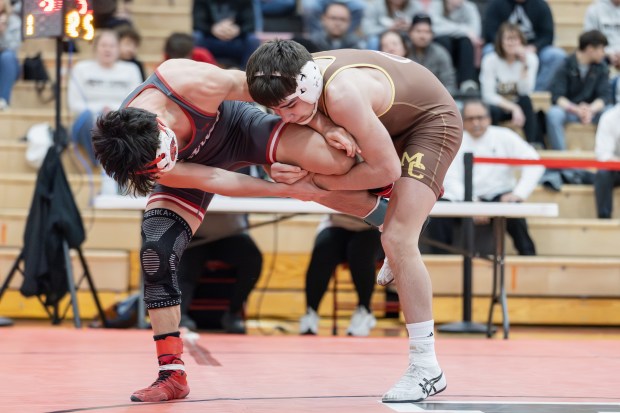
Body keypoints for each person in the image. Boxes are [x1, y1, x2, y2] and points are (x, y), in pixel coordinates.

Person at [91, 58, 389, 403]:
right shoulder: (138, 155)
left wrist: (321, 124)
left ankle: (384, 209)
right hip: (196, 168)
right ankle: (171, 373)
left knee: (336, 159)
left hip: (237, 127)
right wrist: (287, 190)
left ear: (158, 124)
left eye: (165, 153)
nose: (163, 163)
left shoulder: (187, 82)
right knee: (156, 252)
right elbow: (216, 179)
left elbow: (267, 91)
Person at [246, 40, 463, 402]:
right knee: (307, 187)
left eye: (289, 107)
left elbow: (387, 169)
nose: (285, 116)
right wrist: (310, 128)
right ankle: (393, 218)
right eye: (275, 110)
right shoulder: (286, 76)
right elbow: (280, 133)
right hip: (388, 122)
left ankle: (427, 367)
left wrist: (314, 182)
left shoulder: (343, 93)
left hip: (430, 123)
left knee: (396, 240)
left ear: (308, 86)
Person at [426, 99, 544, 255]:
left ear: (488, 118)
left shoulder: (505, 136)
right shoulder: (454, 140)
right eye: (470, 119)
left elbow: (534, 161)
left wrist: (518, 194)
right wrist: (474, 204)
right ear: (462, 120)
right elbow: (450, 180)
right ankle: (441, 259)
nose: (476, 122)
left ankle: (529, 259)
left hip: (498, 197)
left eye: (480, 118)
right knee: (439, 212)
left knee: (514, 211)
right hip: (462, 198)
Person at [300, 214, 383, 336]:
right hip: (337, 224)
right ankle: (311, 311)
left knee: (359, 250)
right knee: (323, 249)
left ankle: (364, 309)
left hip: (374, 229)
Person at [68, 30, 142, 166]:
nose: (107, 49)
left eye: (112, 46)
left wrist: (113, 111)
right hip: (90, 120)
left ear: (118, 49)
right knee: (89, 120)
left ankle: (113, 163)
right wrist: (101, 110)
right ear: (95, 48)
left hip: (119, 119)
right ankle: (102, 160)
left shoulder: (131, 70)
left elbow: (137, 103)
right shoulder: (81, 69)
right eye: (103, 45)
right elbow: (74, 104)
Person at [481, 0, 566, 91]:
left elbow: (548, 34)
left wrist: (535, 47)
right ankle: (495, 90)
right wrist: (507, 46)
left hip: (533, 48)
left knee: (557, 56)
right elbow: (490, 31)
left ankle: (537, 92)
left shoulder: (541, 5)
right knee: (488, 50)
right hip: (503, 46)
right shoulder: (496, 4)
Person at [546, 30, 610, 151]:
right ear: (590, 49)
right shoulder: (564, 64)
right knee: (554, 114)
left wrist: (590, 110)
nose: (604, 53)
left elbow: (604, 97)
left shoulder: (602, 67)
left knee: (610, 112)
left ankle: (604, 154)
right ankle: (562, 158)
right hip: (570, 111)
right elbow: (557, 96)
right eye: (601, 49)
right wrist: (577, 110)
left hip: (592, 112)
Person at [480, 23, 540, 145]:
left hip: (519, 105)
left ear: (521, 41)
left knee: (526, 101)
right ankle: (490, 145)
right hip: (498, 106)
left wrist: (524, 65)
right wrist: (513, 108)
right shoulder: (490, 60)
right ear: (500, 42)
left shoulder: (531, 59)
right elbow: (488, 95)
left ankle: (532, 144)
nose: (512, 43)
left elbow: (525, 91)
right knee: (492, 110)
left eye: (515, 39)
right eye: (508, 39)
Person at [192, 0, 260, 69]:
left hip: (237, 40)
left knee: (252, 40)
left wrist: (237, 30)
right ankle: (199, 71)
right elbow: (197, 24)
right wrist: (212, 29)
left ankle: (245, 74)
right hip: (210, 38)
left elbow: (250, 25)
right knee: (196, 37)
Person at [408, 14, 457, 95]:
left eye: (427, 32)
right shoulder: (403, 51)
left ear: (432, 35)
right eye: (418, 31)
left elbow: (449, 83)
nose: (422, 36)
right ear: (410, 33)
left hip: (436, 99)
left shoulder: (440, 53)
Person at [593, 103, 620, 219]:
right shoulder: (609, 117)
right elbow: (603, 155)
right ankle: (604, 218)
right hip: (616, 169)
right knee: (603, 173)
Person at [583, 0, 620, 71]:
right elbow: (589, 39)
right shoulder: (594, 10)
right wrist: (608, 54)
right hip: (602, 53)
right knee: (593, 57)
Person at [0, 0, 21, 110]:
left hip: (9, 64)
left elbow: (14, 47)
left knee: (7, 57)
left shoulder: (14, 21)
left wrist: (3, 32)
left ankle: (3, 100)